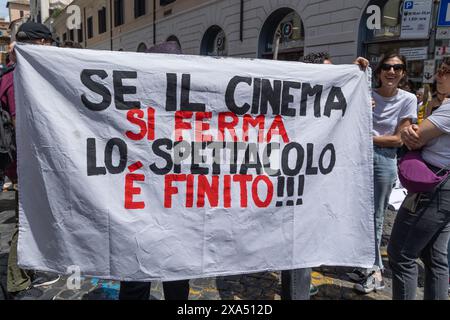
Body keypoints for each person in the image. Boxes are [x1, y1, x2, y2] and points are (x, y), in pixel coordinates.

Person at [280, 52, 369, 300]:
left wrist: (354, 77)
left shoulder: (318, 99)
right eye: (328, 72)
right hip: (291, 183)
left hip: (312, 183)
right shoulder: (294, 98)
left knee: (301, 247)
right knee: (297, 246)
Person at [119, 40, 190, 300]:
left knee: (162, 274)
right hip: (150, 201)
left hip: (167, 201)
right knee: (164, 274)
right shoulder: (136, 104)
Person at [348, 53, 417, 294]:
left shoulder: (408, 99)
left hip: (383, 160)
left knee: (375, 217)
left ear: (403, 73)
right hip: (356, 158)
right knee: (355, 213)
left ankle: (375, 272)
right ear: (378, 72)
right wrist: (358, 69)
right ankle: (363, 263)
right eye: (387, 67)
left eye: (397, 68)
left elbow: (399, 139)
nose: (391, 71)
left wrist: (367, 138)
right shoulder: (366, 95)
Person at [1, 22, 61, 300]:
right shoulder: (18, 79)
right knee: (25, 221)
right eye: (48, 44)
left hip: (24, 164)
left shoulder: (18, 75)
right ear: (39, 45)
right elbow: (20, 124)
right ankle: (18, 281)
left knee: (31, 217)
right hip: (24, 165)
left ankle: (28, 269)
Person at [387, 58, 450, 300]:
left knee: (401, 255)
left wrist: (405, 131)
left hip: (434, 187)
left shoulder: (448, 109)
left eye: (445, 72)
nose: (439, 77)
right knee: (435, 257)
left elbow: (414, 138)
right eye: (439, 71)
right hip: (441, 186)